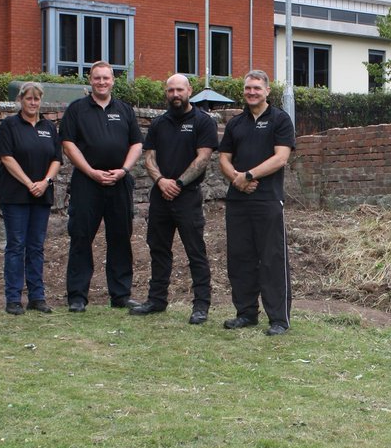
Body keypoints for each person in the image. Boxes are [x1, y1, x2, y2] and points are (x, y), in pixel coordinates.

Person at [130, 74, 219, 324]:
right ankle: (157, 300)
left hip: (187, 196)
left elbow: (203, 158)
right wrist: (161, 181)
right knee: (158, 250)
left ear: (189, 90)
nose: (175, 94)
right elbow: (149, 157)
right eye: (171, 90)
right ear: (166, 92)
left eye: (180, 89)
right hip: (160, 196)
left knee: (195, 251)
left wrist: (179, 183)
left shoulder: (203, 122)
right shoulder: (159, 123)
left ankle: (201, 305)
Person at [58, 61, 143, 312]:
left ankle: (120, 295)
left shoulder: (125, 110)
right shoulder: (77, 110)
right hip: (87, 183)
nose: (102, 82)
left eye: (106, 78)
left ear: (113, 81)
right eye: (97, 78)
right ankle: (77, 296)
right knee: (81, 238)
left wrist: (124, 170)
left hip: (119, 183)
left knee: (120, 238)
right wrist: (91, 172)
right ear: (90, 80)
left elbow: (136, 144)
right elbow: (68, 144)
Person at [218, 70, 296, 336]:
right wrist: (237, 180)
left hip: (268, 200)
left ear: (267, 91)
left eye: (257, 88)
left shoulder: (280, 120)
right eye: (248, 88)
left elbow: (281, 158)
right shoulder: (236, 124)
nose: (252, 92)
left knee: (272, 259)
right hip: (238, 201)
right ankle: (246, 313)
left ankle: (279, 319)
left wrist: (249, 175)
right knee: (240, 258)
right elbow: (223, 159)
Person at [0, 81, 61, 315]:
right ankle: (13, 299)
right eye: (29, 98)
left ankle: (37, 297)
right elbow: (6, 157)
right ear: (21, 100)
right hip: (16, 197)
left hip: (42, 196)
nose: (33, 103)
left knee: (36, 247)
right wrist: (29, 183)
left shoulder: (48, 127)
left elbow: (56, 159)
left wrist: (45, 182)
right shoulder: (9, 126)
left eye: (37, 99)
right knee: (16, 246)